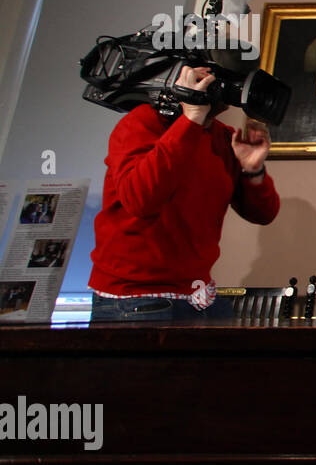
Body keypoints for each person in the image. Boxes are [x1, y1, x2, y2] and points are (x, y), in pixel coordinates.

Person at [89, 65, 280, 320]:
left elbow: (264, 214)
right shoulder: (142, 122)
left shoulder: (222, 137)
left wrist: (253, 170)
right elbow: (140, 200)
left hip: (199, 296)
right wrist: (190, 118)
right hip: (135, 299)